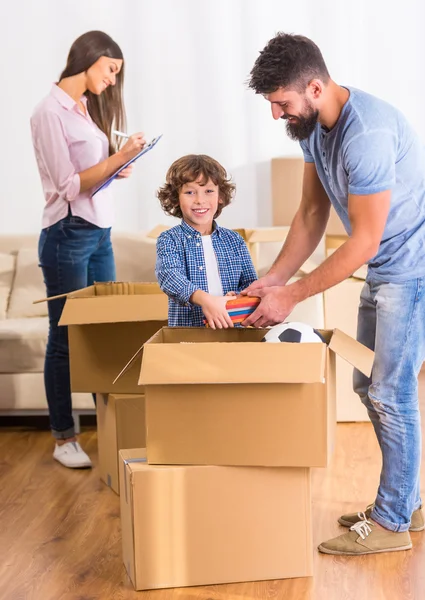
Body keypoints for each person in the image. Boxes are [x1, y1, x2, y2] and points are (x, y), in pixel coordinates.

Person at [244, 32, 425, 555]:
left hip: (411, 272)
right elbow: (311, 214)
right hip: (387, 269)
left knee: (391, 392)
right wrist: (276, 279)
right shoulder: (314, 129)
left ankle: (392, 522)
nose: (276, 114)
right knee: (369, 388)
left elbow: (364, 241)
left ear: (316, 87)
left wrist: (293, 296)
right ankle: (405, 502)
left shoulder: (364, 134)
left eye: (281, 103)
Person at [31, 31, 146, 468]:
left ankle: (112, 427)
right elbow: (67, 186)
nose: (113, 81)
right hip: (67, 235)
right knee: (64, 338)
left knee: (105, 330)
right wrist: (117, 159)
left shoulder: (83, 109)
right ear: (91, 58)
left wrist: (119, 167)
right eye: (111, 69)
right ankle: (64, 438)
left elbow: (91, 177)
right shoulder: (49, 111)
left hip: (100, 232)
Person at [155, 154, 257, 328]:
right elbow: (169, 276)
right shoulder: (169, 239)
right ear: (176, 198)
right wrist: (206, 300)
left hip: (233, 332)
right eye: (189, 192)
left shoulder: (234, 241)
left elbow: (250, 284)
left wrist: (239, 296)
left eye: (208, 191)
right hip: (187, 337)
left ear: (220, 196)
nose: (200, 200)